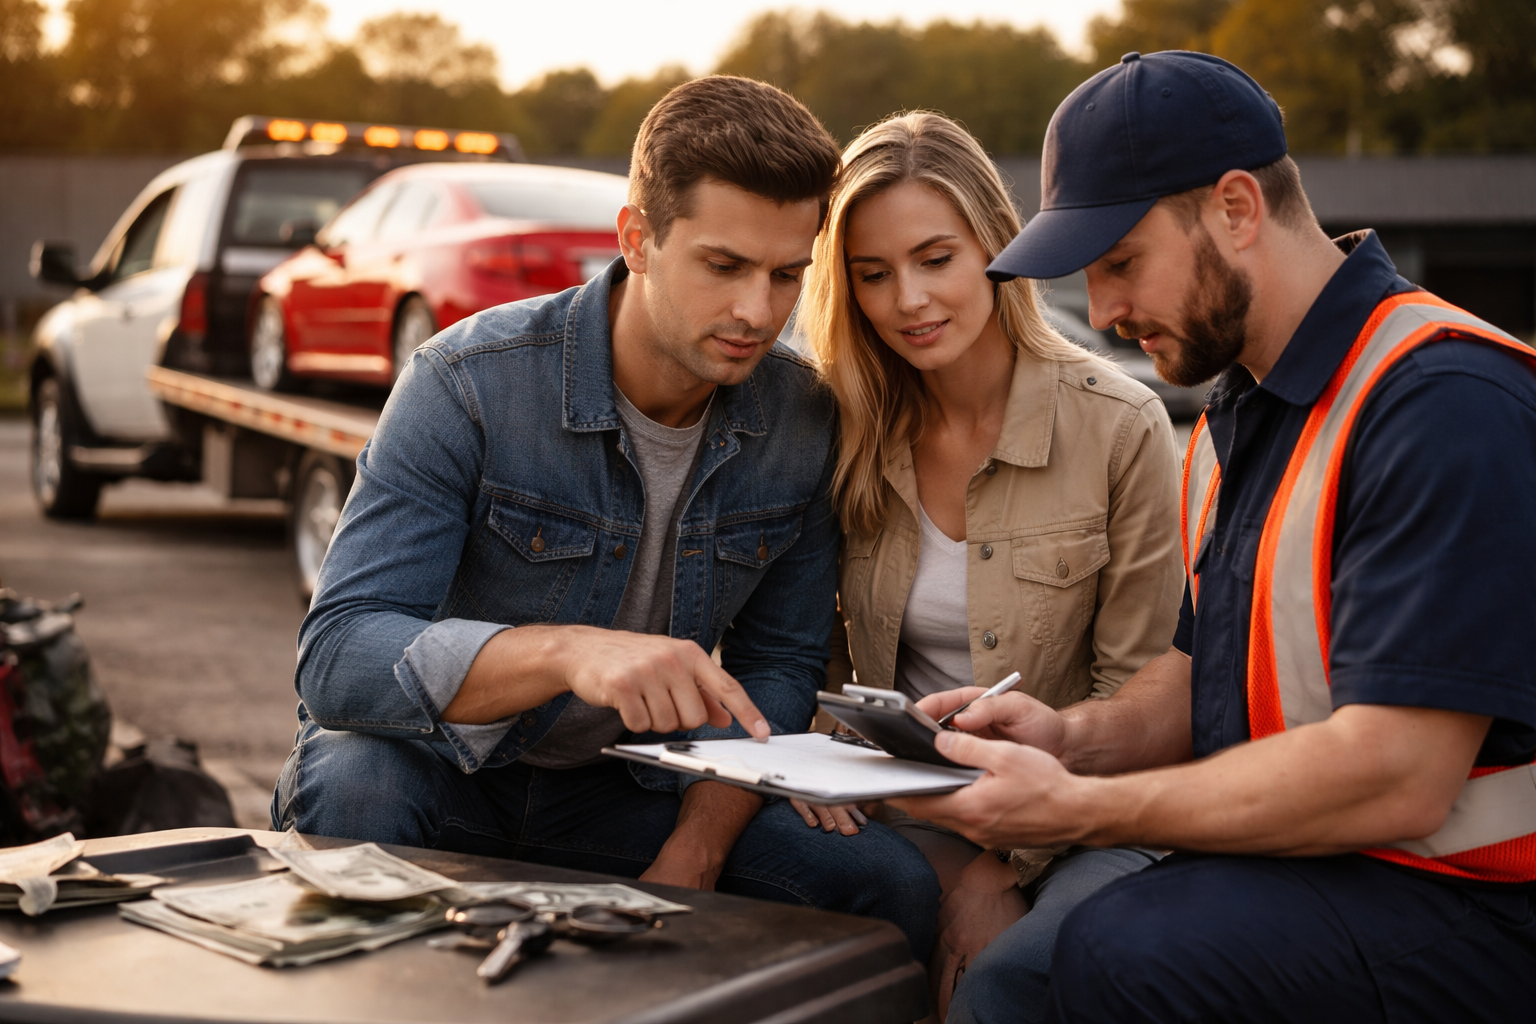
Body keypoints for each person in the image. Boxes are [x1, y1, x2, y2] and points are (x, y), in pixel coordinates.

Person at [890, 50, 1536, 1023]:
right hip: (1317, 864)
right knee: (1012, 985)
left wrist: (1079, 807)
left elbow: (1399, 775)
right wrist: (1071, 739)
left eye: (1120, 263)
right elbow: (1205, 674)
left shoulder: (1442, 406)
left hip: (1474, 906)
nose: (1101, 314)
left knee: (1124, 953)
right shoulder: (1241, 416)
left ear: (1236, 208)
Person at [270, 75, 940, 961]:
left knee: (886, 883)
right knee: (354, 785)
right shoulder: (467, 382)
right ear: (638, 239)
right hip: (436, 771)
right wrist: (565, 651)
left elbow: (778, 665)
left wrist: (694, 850)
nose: (758, 312)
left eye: (788, 275)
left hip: (629, 787)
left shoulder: (802, 421)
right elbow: (338, 658)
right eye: (725, 265)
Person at [795, 112, 1185, 1019]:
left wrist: (999, 860)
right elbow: (820, 671)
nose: (909, 301)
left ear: (996, 248)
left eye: (937, 259)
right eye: (874, 275)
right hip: (896, 814)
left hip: (1081, 821)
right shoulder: (840, 428)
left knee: (1011, 985)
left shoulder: (1120, 427)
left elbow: (1143, 700)